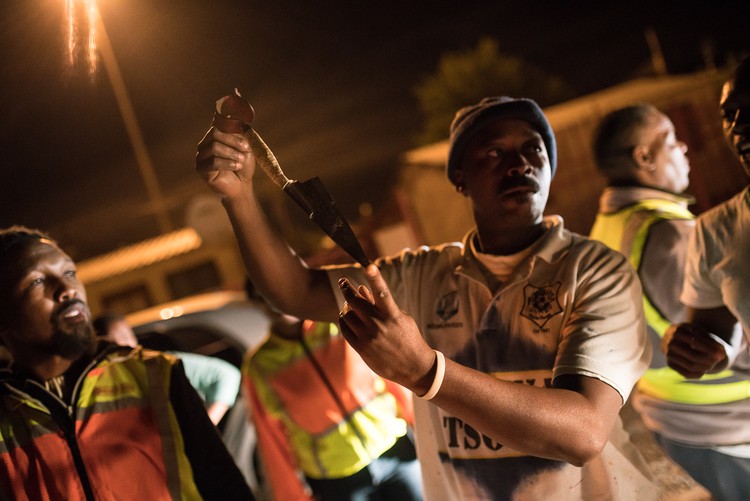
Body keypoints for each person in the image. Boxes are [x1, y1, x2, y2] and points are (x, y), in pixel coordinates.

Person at [196, 95, 657, 499]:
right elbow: (296, 292)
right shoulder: (421, 275)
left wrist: (427, 372)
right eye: (494, 152)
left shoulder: (596, 269)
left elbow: (584, 432)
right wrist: (239, 195)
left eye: (533, 149)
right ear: (459, 178)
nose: (519, 164)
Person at [0, 226, 254, 500]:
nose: (67, 290)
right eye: (37, 281)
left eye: (70, 273)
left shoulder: (155, 374)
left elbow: (225, 487)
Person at [588, 103, 750, 498]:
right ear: (644, 157)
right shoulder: (669, 236)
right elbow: (714, 338)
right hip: (724, 424)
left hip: (672, 416)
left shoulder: (607, 227)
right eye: (672, 140)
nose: (684, 149)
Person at [242, 280, 422, 501]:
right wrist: (292, 496)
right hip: (337, 480)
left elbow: (393, 375)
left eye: (280, 293)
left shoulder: (338, 324)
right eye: (264, 297)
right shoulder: (260, 366)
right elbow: (270, 439)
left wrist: (424, 430)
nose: (275, 304)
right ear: (256, 305)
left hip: (396, 450)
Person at [662, 56, 750, 499]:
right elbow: (719, 337)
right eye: (729, 114)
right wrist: (694, 349)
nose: (739, 125)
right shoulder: (717, 230)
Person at [93, 312, 242, 426]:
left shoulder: (160, 365)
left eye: (127, 336)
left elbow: (227, 374)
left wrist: (207, 425)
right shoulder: (104, 385)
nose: (126, 344)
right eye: (114, 341)